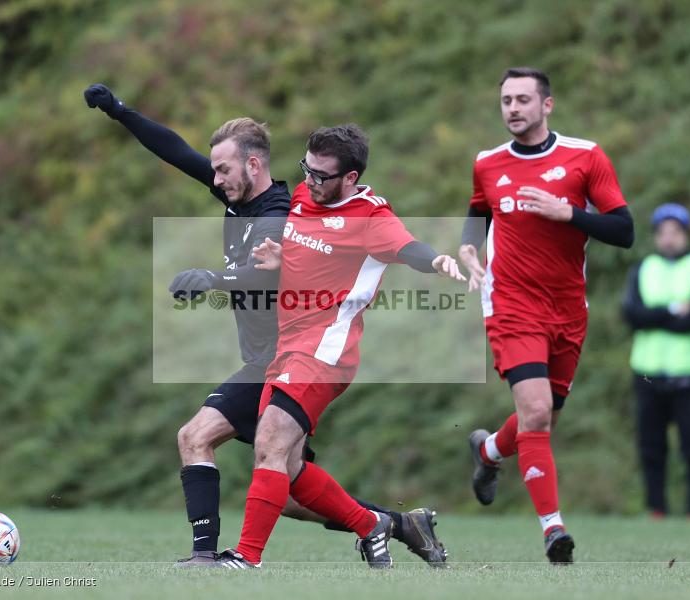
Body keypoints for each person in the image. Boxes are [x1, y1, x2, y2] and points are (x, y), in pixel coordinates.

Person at [83, 85, 447, 567]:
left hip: (286, 358)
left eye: (224, 169)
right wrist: (120, 111)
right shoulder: (237, 194)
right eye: (215, 169)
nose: (215, 177)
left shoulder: (280, 212)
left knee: (197, 437)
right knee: (291, 487)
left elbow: (269, 270)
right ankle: (393, 524)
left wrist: (214, 278)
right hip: (271, 360)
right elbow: (176, 152)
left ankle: (208, 557)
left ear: (253, 165)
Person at [209, 124, 466, 569]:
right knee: (285, 470)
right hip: (287, 347)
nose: (310, 181)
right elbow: (315, 255)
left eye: (322, 176)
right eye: (306, 169)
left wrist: (438, 261)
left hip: (325, 352)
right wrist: (279, 258)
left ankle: (245, 558)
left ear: (350, 178)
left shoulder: (371, 217)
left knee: (269, 441)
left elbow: (408, 248)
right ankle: (372, 524)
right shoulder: (305, 198)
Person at [458, 67, 634, 564]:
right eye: (506, 101)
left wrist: (569, 214)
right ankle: (553, 531)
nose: (512, 108)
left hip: (568, 308)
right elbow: (477, 215)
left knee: (544, 418)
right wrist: (470, 252)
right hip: (510, 303)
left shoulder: (585, 156)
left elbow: (624, 230)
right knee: (535, 412)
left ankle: (490, 450)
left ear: (547, 105)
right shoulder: (488, 163)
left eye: (522, 100)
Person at [622, 203, 690, 518]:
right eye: (662, 232)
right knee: (651, 446)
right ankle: (656, 509)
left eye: (675, 232)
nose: (668, 239)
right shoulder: (643, 268)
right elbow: (632, 315)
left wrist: (657, 315)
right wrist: (673, 311)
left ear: (686, 235)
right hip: (648, 373)